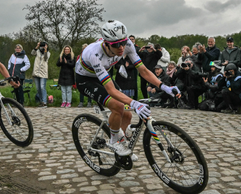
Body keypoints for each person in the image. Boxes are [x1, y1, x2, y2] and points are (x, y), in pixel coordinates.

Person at [75, 20, 180, 158]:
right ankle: (114, 142)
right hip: (85, 80)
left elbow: (143, 70)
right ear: (106, 43)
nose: (121, 47)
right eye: (116, 45)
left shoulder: (126, 44)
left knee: (128, 114)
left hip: (102, 75)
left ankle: (121, 144)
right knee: (118, 106)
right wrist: (135, 103)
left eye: (123, 42)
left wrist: (164, 87)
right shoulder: (95, 53)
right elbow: (112, 91)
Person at [32, 41, 50, 107]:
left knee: (42, 87)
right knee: (38, 88)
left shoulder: (48, 53)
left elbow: (45, 58)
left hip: (43, 73)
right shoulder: (37, 51)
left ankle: (44, 102)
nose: (42, 46)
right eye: (42, 45)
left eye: (44, 45)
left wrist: (45, 49)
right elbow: (32, 53)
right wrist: (37, 46)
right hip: (36, 72)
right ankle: (41, 101)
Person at [77, 43, 92, 107]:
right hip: (82, 74)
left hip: (89, 74)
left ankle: (89, 102)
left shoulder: (91, 56)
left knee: (90, 89)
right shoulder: (79, 56)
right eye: (84, 48)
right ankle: (81, 102)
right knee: (82, 89)